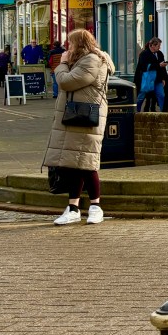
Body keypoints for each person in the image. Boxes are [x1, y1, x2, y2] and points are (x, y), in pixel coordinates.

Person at [42, 29, 114, 225]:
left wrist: (63, 63)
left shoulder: (92, 60)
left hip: (86, 118)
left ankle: (96, 207)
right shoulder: (83, 60)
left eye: (71, 43)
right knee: (74, 164)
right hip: (75, 117)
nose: (69, 47)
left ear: (81, 44)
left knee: (87, 164)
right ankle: (73, 209)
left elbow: (66, 82)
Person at [134, 37, 168, 112]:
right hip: (146, 79)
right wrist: (158, 65)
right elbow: (144, 67)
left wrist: (163, 78)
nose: (159, 47)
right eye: (158, 46)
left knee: (161, 95)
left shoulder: (159, 54)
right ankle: (136, 111)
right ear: (152, 45)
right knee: (141, 96)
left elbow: (163, 68)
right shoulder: (144, 54)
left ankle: (163, 113)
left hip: (158, 79)